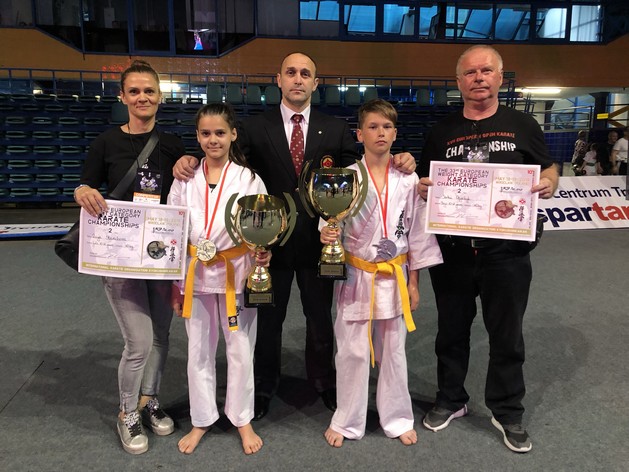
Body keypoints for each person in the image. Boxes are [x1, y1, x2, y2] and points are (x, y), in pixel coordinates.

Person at [173, 52, 417, 421]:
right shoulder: (256, 127)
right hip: (266, 243)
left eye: (305, 73)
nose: (298, 79)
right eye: (291, 72)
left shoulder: (334, 128)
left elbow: (361, 172)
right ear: (279, 79)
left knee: (319, 318)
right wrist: (189, 160)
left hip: (322, 243)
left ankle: (323, 380)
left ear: (316, 83)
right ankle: (265, 383)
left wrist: (401, 159)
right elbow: (224, 163)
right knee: (268, 320)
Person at [417, 45, 559, 454]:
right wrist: (425, 189)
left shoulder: (522, 123)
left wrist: (550, 182)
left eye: (486, 71)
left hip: (506, 253)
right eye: (470, 72)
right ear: (458, 81)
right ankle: (451, 399)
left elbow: (548, 166)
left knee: (507, 335)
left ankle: (507, 410)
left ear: (499, 77)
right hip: (454, 252)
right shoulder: (442, 131)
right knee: (450, 332)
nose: (478, 78)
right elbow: (427, 179)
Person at [73, 60, 186, 454]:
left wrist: (189, 163)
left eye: (149, 91)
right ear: (122, 97)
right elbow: (86, 184)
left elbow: (183, 192)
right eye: (134, 91)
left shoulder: (173, 145)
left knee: (161, 336)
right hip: (121, 257)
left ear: (160, 96)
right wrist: (82, 191)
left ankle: (148, 399)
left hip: (160, 256)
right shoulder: (105, 142)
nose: (142, 97)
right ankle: (126, 412)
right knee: (138, 342)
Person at [320, 99, 442, 448]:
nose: (380, 133)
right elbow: (328, 222)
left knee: (394, 350)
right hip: (356, 273)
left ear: (395, 133)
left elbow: (417, 234)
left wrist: (414, 283)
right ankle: (347, 419)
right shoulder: (344, 178)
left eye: (387, 127)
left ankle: (398, 417)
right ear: (359, 134)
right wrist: (327, 233)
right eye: (372, 127)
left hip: (394, 275)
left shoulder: (409, 179)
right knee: (352, 351)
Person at [168, 103, 268, 455]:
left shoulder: (249, 179)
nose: (213, 140)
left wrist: (263, 253)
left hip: (235, 273)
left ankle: (242, 418)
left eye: (220, 133)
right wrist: (175, 284)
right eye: (206, 133)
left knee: (240, 349)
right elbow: (173, 232)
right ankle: (202, 418)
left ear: (233, 134)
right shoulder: (184, 179)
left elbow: (262, 226)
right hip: (194, 275)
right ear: (197, 136)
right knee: (198, 350)